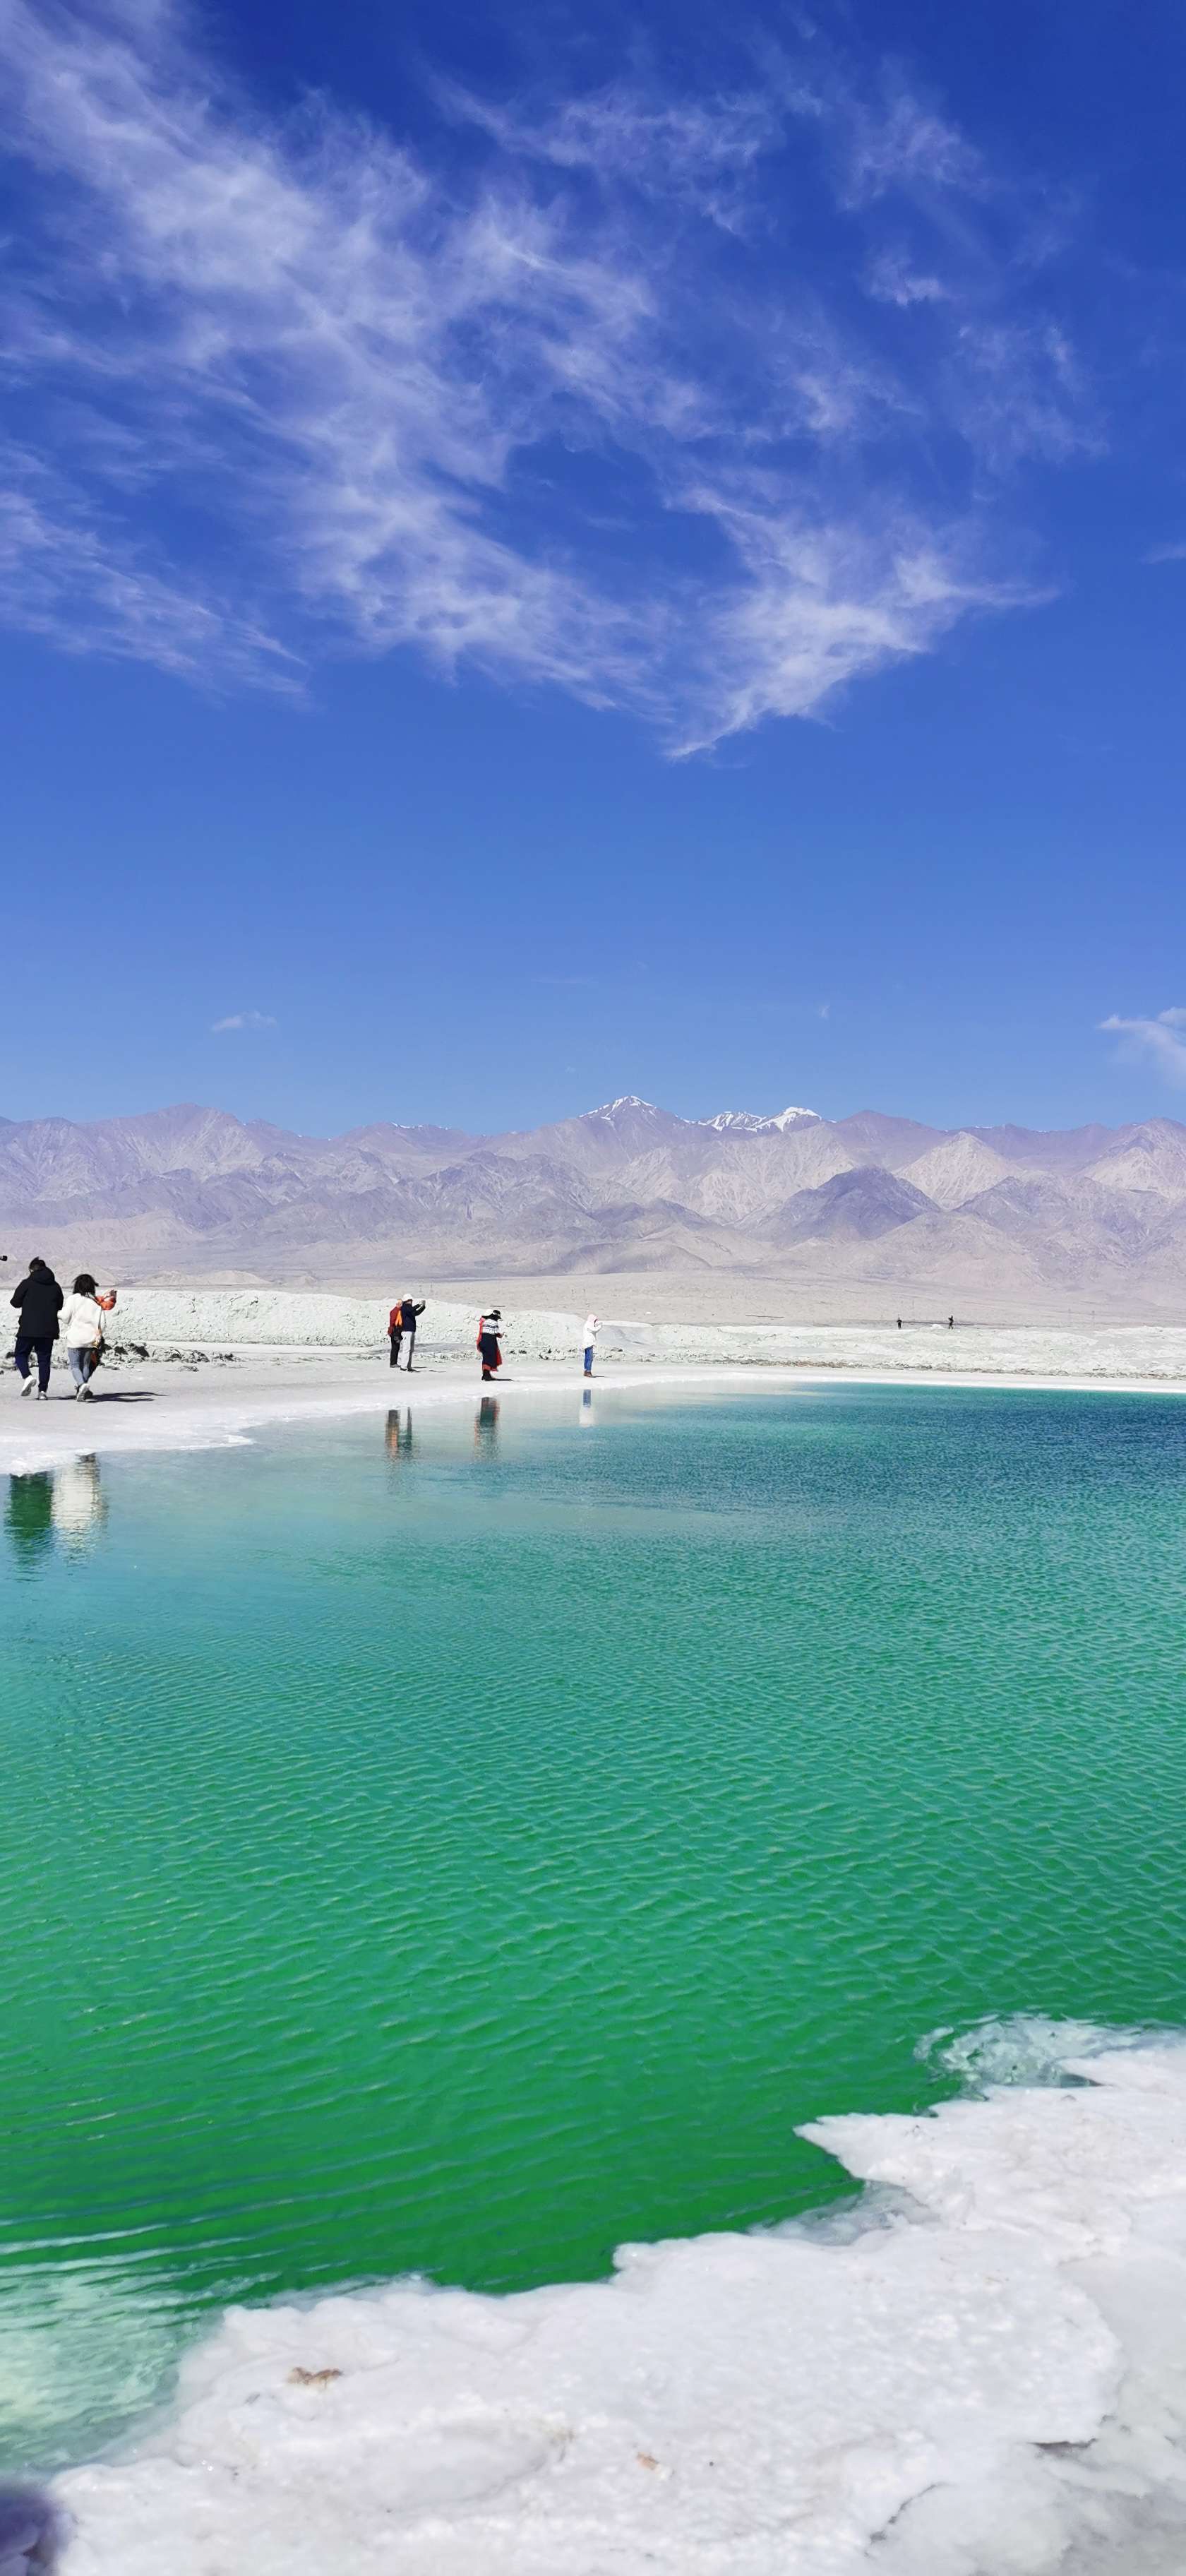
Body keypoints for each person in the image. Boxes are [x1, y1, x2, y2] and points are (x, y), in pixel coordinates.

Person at [10, 1258, 63, 1399]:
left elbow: (15, 1302)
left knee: (21, 1354)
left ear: (32, 1270)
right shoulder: (56, 1286)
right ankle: (43, 1392)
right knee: (44, 1360)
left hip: (28, 1328)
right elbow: (59, 1306)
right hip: (48, 1329)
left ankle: (27, 1377)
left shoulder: (27, 1283)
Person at [59, 1273, 110, 1399]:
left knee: (75, 1365)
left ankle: (81, 1385)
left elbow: (65, 1317)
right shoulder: (96, 1302)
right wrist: (97, 1336)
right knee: (86, 1365)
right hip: (90, 1339)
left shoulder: (73, 1299)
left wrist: (57, 1313)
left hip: (75, 1338)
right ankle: (83, 1390)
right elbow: (102, 1324)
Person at [396, 1294, 425, 1371]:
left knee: (411, 1349)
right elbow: (411, 1310)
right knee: (407, 1349)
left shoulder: (410, 1308)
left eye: (411, 1300)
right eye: (410, 1300)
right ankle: (403, 1367)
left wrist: (423, 1307)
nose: (411, 1301)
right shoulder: (404, 1308)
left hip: (411, 1330)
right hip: (406, 1331)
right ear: (406, 1301)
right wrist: (419, 1304)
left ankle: (408, 1366)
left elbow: (416, 1313)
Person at [477, 1308, 503, 1381]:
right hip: (490, 1342)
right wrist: (500, 1335)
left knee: (486, 1358)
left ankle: (485, 1374)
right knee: (491, 1358)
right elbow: (496, 1333)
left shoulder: (485, 1322)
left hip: (483, 1341)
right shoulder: (494, 1323)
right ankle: (487, 1376)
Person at [582, 1313, 599, 1378]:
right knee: (590, 1358)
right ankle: (588, 1372)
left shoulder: (587, 1324)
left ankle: (586, 1371)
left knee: (587, 1358)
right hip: (589, 1344)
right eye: (594, 1321)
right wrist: (600, 1326)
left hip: (587, 1344)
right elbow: (594, 1330)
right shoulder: (589, 1325)